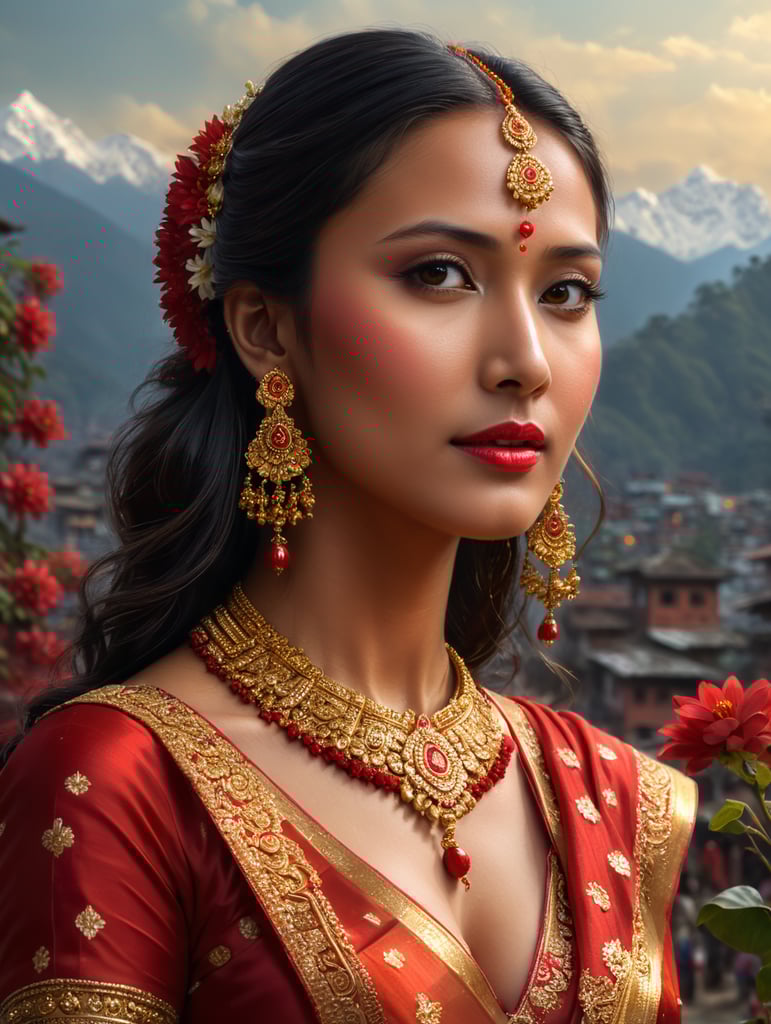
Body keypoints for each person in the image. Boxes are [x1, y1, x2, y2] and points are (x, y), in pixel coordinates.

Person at [0, 27, 697, 1024]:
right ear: (265, 326)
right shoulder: (119, 780)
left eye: (565, 293)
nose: (527, 361)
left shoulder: (617, 797)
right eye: (440, 274)